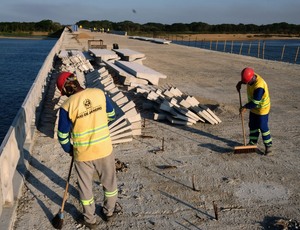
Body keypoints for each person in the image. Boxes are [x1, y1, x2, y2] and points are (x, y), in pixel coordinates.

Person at [56, 71, 118, 229]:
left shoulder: (67, 106)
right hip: (104, 149)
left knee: (85, 188)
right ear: (76, 81)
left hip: (83, 154)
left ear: (65, 90)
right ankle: (109, 212)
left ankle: (90, 220)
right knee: (109, 184)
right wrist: (98, 124)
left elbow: (63, 135)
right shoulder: (99, 93)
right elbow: (111, 115)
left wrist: (70, 149)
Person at [236, 67, 273, 155]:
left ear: (252, 78)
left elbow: (255, 102)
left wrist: (245, 107)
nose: (247, 84)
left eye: (248, 82)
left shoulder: (259, 87)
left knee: (263, 127)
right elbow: (246, 79)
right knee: (252, 125)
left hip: (262, 109)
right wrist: (240, 83)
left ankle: (268, 146)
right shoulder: (251, 76)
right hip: (253, 107)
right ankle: (253, 142)